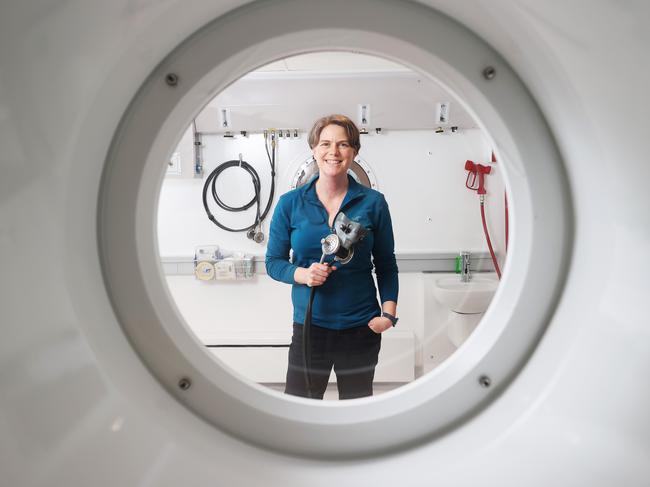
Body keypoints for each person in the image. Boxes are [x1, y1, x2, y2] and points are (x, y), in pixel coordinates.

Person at [265, 114, 399, 400]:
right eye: (325, 143)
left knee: (357, 411)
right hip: (309, 327)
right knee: (300, 410)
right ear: (314, 149)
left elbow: (386, 263)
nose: (333, 152)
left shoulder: (373, 203)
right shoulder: (290, 204)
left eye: (343, 145)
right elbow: (273, 262)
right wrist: (303, 274)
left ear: (354, 152)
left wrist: (388, 315)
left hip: (361, 327)